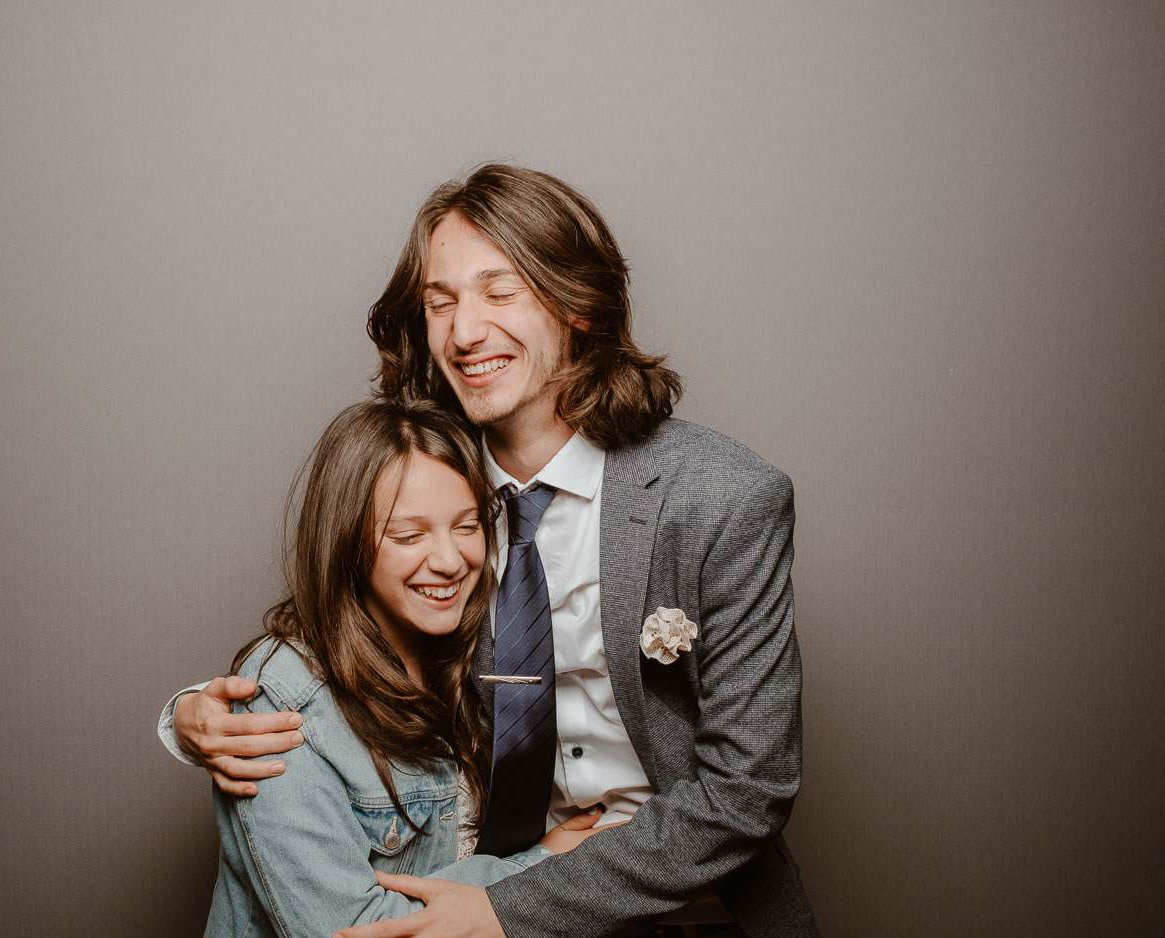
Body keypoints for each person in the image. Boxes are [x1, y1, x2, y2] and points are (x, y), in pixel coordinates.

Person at [162, 164, 819, 938]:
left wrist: (509, 905)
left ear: (577, 305)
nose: (465, 332)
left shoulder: (719, 498)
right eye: (441, 303)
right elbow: (341, 640)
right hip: (486, 885)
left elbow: (748, 790)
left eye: (499, 293)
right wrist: (193, 718)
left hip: (682, 904)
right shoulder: (431, 477)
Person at [201, 397, 610, 938]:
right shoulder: (281, 700)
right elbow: (348, 930)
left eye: (466, 526)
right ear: (346, 542)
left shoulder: (482, 650)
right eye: (409, 535)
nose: (447, 560)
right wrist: (549, 864)